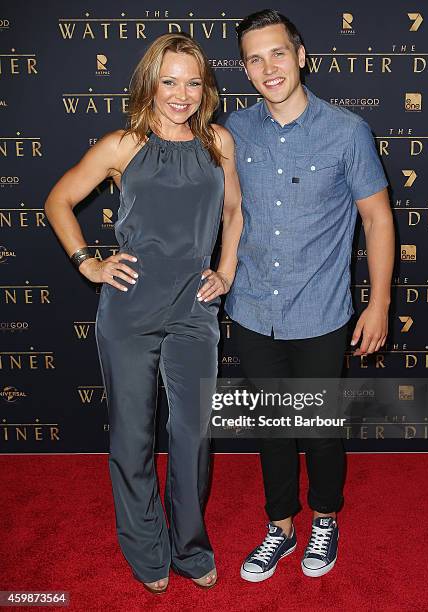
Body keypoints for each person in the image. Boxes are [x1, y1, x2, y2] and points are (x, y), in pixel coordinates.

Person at [44, 32, 243, 594]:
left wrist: (225, 271)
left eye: (193, 82)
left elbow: (233, 210)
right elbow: (57, 199)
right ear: (150, 83)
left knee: (193, 435)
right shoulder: (121, 145)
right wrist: (88, 263)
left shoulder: (218, 142)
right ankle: (145, 548)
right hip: (129, 309)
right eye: (169, 81)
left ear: (205, 87)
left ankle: (190, 546)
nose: (181, 94)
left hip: (195, 310)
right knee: (133, 435)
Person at [224, 10, 395, 581]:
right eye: (254, 58)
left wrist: (379, 303)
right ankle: (279, 527)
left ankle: (325, 518)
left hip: (321, 314)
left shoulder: (347, 131)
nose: (267, 67)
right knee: (271, 431)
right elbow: (217, 210)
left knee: (321, 432)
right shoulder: (233, 131)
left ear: (300, 56)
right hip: (250, 310)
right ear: (245, 70)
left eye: (277, 53)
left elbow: (376, 218)